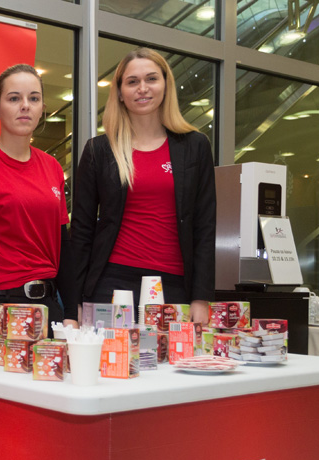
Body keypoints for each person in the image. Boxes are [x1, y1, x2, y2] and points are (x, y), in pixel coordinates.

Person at [70, 47, 216, 326]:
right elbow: (81, 231)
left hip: (174, 286)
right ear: (120, 92)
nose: (142, 88)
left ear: (166, 85)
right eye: (132, 81)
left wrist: (201, 297)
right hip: (111, 284)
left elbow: (205, 226)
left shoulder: (195, 146)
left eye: (151, 79)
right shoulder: (99, 150)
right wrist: (73, 303)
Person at [0, 64, 78, 361]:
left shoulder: (52, 167)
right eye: (14, 98)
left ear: (42, 108)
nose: (25, 106)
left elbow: (63, 245)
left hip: (48, 309)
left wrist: (71, 314)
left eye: (34, 98)